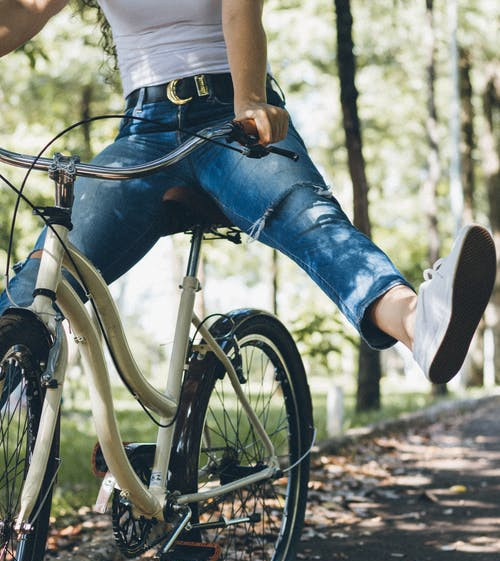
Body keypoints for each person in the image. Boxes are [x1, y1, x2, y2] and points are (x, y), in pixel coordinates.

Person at [0, 0, 496, 384]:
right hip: (141, 132)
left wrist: (250, 99)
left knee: (307, 217)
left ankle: (418, 322)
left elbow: (241, 12)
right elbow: (19, 16)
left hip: (229, 112)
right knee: (42, 279)